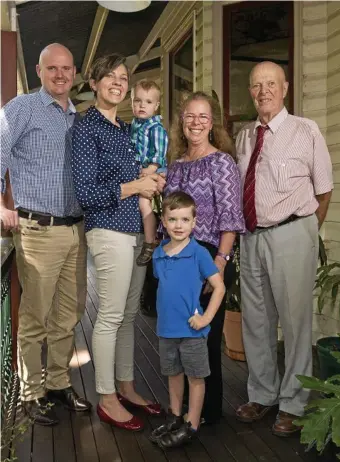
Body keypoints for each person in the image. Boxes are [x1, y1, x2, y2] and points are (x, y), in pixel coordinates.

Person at [235, 61, 333, 437]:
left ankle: (293, 402)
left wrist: (306, 231)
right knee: (256, 321)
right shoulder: (245, 136)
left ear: (285, 87)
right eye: (257, 85)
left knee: (294, 323)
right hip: (251, 238)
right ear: (251, 91)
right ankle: (262, 394)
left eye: (271, 84)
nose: (264, 91)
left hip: (292, 233)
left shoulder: (305, 131)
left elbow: (323, 189)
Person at [72, 53, 165, 432]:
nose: (117, 81)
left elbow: (148, 174)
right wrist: (136, 186)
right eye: (109, 75)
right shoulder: (86, 127)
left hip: (135, 233)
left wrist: (153, 181)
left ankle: (126, 386)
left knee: (128, 316)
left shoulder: (129, 130)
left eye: (123, 76)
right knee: (109, 316)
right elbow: (86, 193)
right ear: (94, 84)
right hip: (108, 229)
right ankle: (107, 396)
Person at [0, 43, 92, 426]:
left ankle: (57, 383)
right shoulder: (22, 108)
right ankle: (31, 392)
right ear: (39, 71)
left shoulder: (78, 118)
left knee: (68, 315)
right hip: (38, 229)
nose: (60, 75)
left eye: (66, 69)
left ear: (74, 74)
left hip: (76, 228)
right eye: (52, 68)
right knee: (35, 316)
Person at [164, 91, 246, 424]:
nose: (196, 123)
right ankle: (183, 408)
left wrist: (220, 262)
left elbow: (230, 218)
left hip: (208, 257)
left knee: (205, 338)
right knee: (178, 335)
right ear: (181, 123)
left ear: (212, 124)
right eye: (190, 117)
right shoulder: (176, 165)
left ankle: (208, 413)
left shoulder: (221, 162)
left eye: (203, 117)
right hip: (175, 259)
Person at [150, 192, 225, 448]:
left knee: (195, 377)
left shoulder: (199, 253)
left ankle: (192, 425)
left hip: (192, 331)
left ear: (194, 222)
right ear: (164, 221)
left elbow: (219, 287)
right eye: (172, 219)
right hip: (166, 330)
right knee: (173, 374)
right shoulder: (159, 253)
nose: (179, 225)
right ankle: (175, 417)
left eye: (184, 219)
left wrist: (206, 318)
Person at [130, 79, 168, 266]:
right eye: (138, 101)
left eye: (148, 102)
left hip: (154, 170)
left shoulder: (156, 129)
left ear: (157, 106)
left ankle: (149, 242)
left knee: (144, 203)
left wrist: (150, 171)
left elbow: (160, 155)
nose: (142, 105)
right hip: (140, 172)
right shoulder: (134, 126)